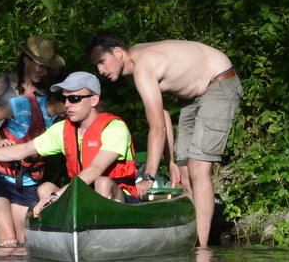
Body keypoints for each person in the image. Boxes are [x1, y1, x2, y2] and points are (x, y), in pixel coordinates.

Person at [88, 32, 242, 249]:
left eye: (102, 62)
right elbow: (163, 116)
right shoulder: (133, 71)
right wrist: (171, 162)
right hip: (193, 96)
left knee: (198, 168)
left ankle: (201, 250)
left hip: (219, 81)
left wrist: (149, 176)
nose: (100, 70)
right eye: (96, 65)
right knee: (185, 171)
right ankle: (193, 237)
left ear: (118, 52)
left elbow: (157, 128)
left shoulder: (143, 66)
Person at [0, 71, 137, 213]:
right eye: (65, 98)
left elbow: (95, 170)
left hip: (120, 199)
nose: (67, 104)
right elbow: (22, 150)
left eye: (74, 98)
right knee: (45, 188)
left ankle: (103, 235)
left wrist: (57, 196)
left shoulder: (115, 128)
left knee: (102, 183)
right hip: (84, 197)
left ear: (94, 100)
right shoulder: (63, 129)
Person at [0, 89, 66, 246]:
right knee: (8, 240)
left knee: (24, 243)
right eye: (69, 100)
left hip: (26, 181)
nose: (72, 106)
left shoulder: (64, 121)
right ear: (55, 98)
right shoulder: (24, 104)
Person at [0, 35, 64, 148]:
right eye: (40, 66)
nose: (44, 73)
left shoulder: (44, 92)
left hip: (23, 160)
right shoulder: (3, 82)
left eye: (47, 68)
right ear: (26, 60)